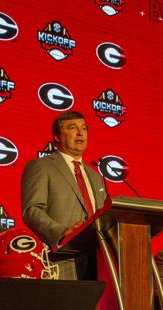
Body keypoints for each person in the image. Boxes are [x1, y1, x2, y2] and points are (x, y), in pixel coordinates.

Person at [21, 110, 107, 280]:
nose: (81, 132)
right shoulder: (41, 166)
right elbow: (32, 210)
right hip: (62, 262)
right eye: (73, 128)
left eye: (84, 128)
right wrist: (62, 232)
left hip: (100, 264)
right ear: (57, 137)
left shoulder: (96, 177)